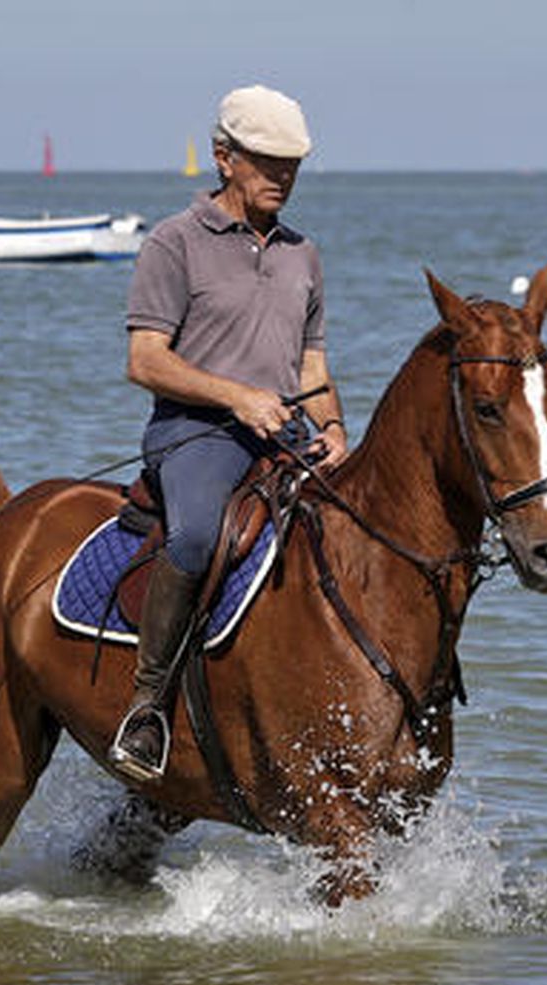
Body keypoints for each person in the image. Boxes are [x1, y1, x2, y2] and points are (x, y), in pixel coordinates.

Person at [109, 85, 348, 783]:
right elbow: (144, 361)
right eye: (266, 161)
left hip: (287, 432)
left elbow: (313, 365)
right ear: (223, 157)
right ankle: (148, 707)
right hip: (194, 434)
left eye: (292, 164)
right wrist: (237, 398)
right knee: (193, 537)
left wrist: (333, 426)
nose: (282, 176)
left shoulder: (304, 254)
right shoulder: (173, 243)